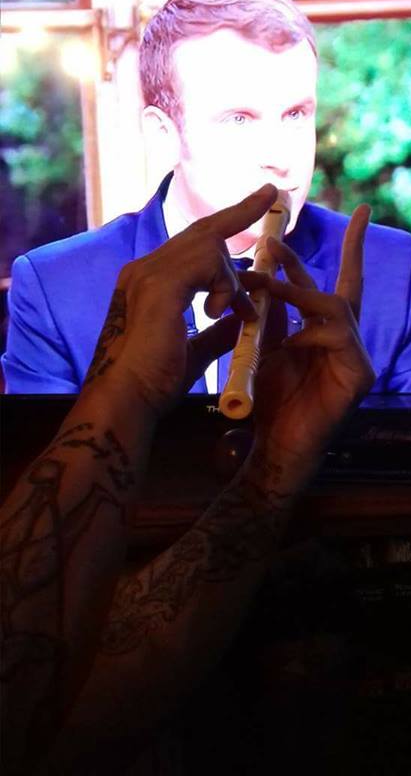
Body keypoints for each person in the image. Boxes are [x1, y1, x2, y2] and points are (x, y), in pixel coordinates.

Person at [0, 185, 375, 774]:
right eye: (238, 131)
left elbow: (73, 701)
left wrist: (276, 461)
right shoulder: (54, 275)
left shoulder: (397, 261)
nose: (277, 157)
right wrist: (127, 391)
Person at [1, 0, 411, 396]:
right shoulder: (56, 289)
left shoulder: (397, 273)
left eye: (295, 114)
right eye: (239, 119)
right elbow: (48, 457)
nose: (280, 156)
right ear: (164, 134)